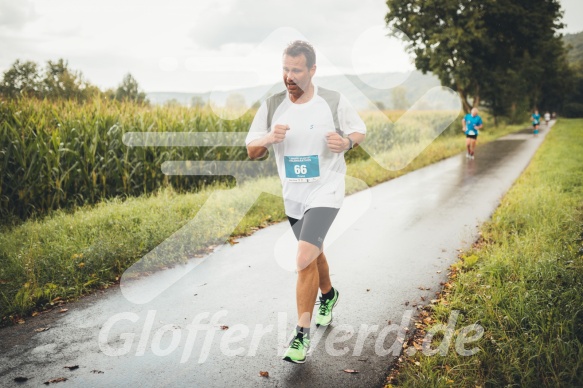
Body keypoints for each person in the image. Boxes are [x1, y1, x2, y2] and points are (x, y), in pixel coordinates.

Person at [246, 40, 366, 364]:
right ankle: (329, 294)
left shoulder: (332, 100)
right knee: (313, 254)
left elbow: (359, 131)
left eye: (296, 70)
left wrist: (345, 143)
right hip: (294, 196)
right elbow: (252, 150)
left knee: (301, 258)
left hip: (326, 190)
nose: (289, 76)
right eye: (285, 69)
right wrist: (269, 138)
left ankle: (300, 335)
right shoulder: (271, 106)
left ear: (312, 70)